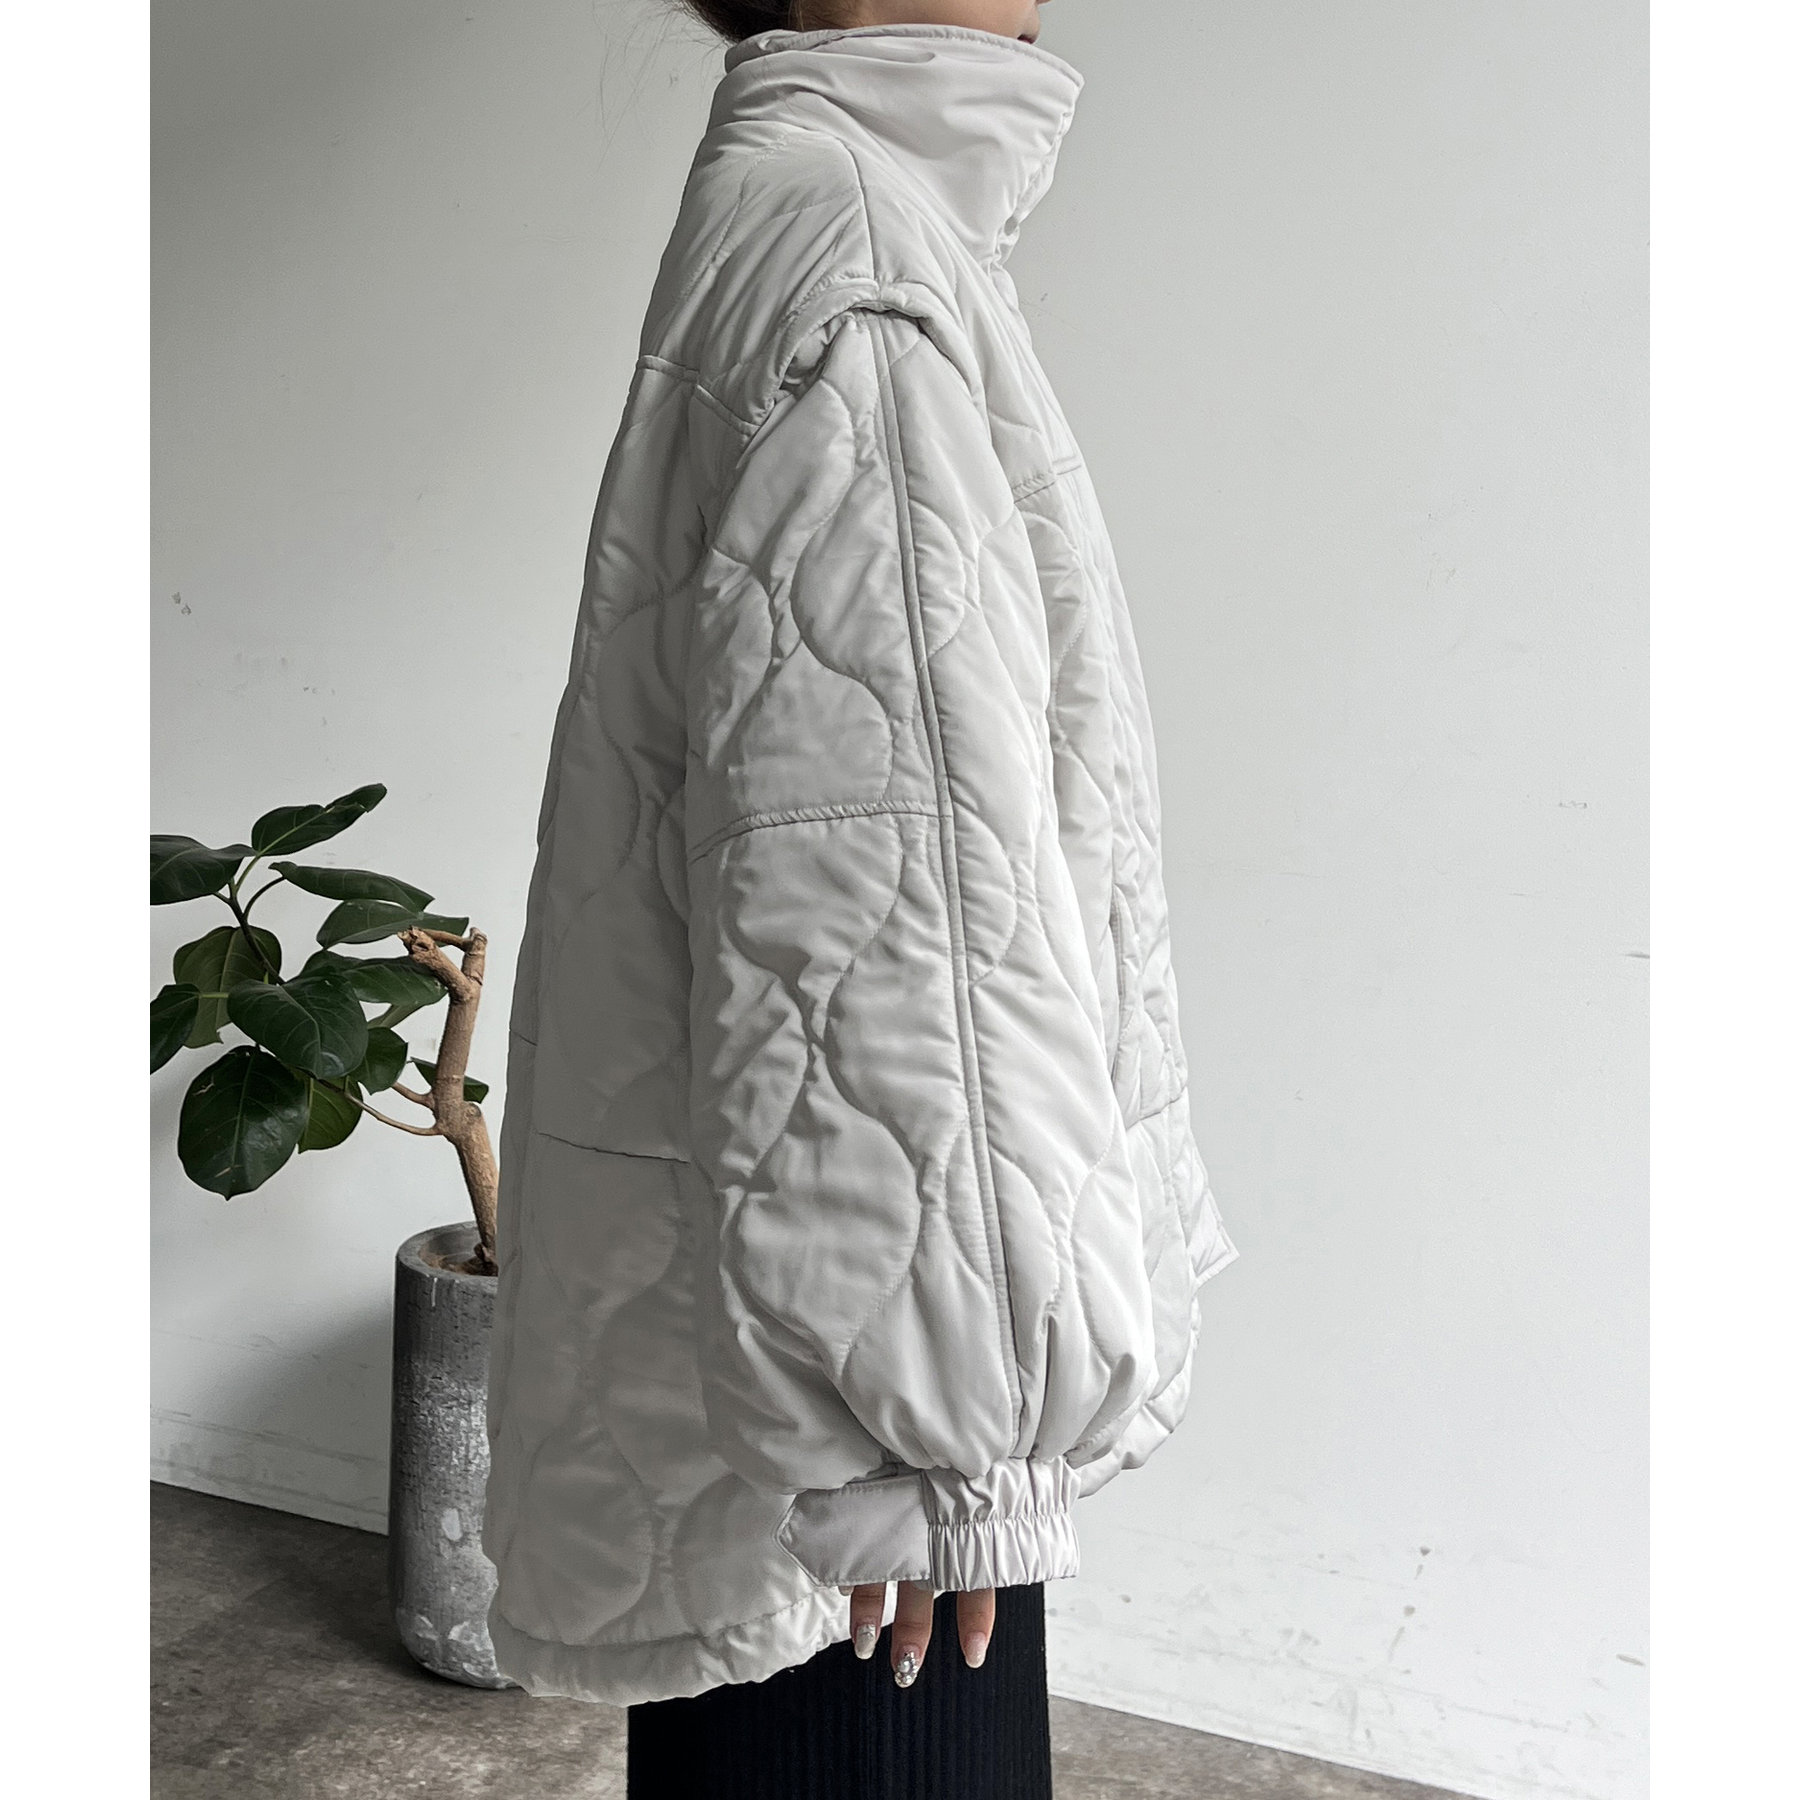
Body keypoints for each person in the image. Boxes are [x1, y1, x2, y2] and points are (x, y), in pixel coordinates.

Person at [480, 3, 1238, 1794]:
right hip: (872, 1411)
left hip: (810, 1334)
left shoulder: (823, 197)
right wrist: (944, 1433)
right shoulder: (859, 247)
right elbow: (890, 890)